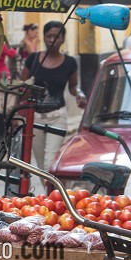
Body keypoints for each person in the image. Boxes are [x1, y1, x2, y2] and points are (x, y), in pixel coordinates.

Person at [17, 20, 82, 171]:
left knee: (49, 164)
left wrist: (79, 94)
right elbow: (22, 87)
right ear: (44, 37)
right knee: (40, 165)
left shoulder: (70, 63)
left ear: (63, 39)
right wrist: (16, 111)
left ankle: (53, 194)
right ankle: (51, 194)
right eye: (49, 36)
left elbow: (73, 86)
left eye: (56, 36)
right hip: (35, 118)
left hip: (57, 117)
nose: (52, 40)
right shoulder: (33, 59)